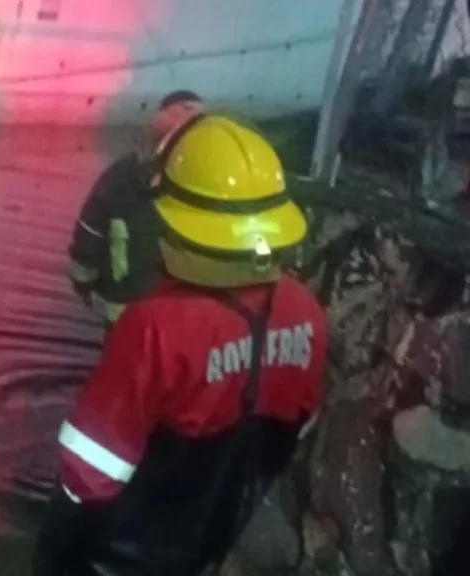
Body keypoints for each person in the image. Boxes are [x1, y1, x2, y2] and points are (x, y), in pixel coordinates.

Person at [33, 115, 327, 576]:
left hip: (122, 555)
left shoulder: (154, 327)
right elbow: (296, 425)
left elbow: (88, 476)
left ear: (176, 222)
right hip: (212, 542)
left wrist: (56, 550)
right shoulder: (306, 312)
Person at [68, 90, 204, 327]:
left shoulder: (121, 175)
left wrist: (83, 283)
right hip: (189, 315)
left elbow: (89, 233)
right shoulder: (209, 177)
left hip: (126, 310)